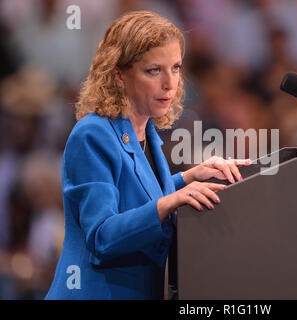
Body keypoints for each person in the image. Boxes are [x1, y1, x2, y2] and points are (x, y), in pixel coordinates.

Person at [45, 11, 251, 300]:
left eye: (176, 68)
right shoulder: (91, 134)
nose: (170, 83)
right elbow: (102, 236)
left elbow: (141, 195)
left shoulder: (146, 132)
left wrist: (190, 178)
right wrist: (172, 200)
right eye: (154, 70)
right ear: (118, 75)